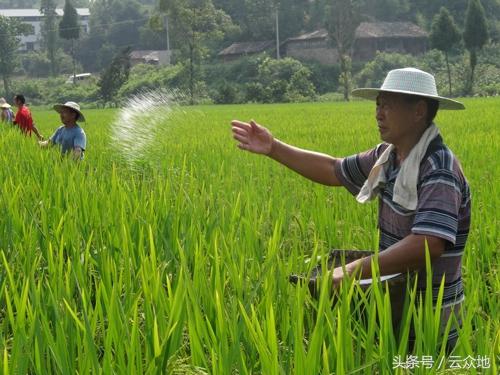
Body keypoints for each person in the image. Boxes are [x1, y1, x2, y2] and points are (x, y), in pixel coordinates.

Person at [230, 68, 470, 352]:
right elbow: (334, 169)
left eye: (388, 105)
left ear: (418, 111)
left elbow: (428, 244)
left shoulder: (437, 167)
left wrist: (353, 271)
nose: (379, 113)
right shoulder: (389, 156)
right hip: (396, 303)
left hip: (431, 319)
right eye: (378, 105)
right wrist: (274, 148)